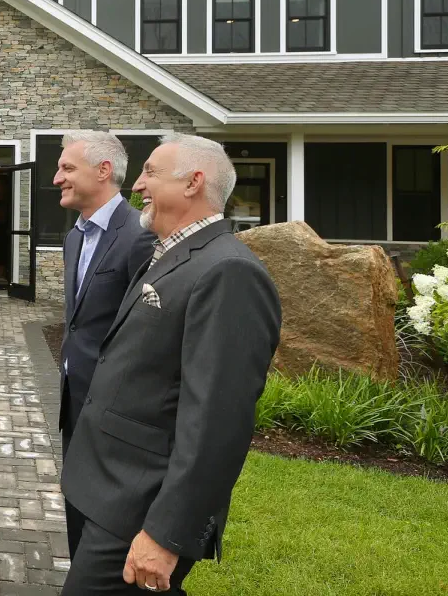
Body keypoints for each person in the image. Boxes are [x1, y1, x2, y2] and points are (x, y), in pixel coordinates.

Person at [61, 134, 281, 596]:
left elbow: (217, 422)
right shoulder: (171, 253)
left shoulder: (229, 272)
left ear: (193, 183)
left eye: (151, 173)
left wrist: (166, 534)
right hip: (109, 489)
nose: (137, 183)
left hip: (140, 505)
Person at [53, 131, 155, 559]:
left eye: (67, 168)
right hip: (75, 401)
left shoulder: (139, 236)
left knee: (110, 522)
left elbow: (147, 333)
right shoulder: (75, 235)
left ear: (104, 171)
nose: (57, 177)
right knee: (76, 505)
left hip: (117, 409)